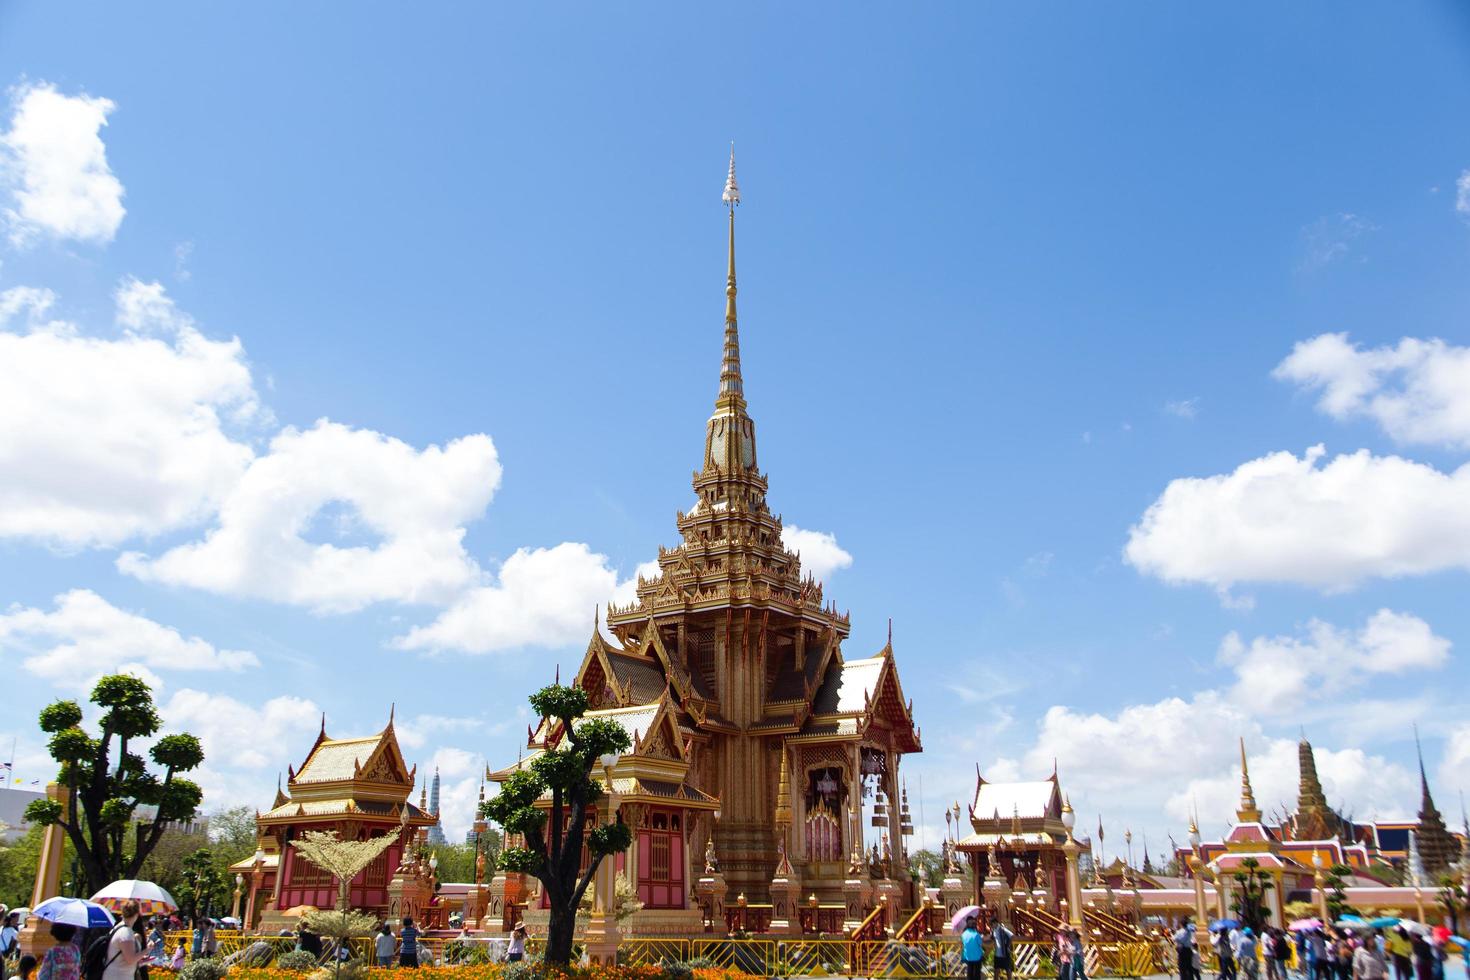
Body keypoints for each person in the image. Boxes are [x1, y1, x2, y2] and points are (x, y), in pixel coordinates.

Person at [101, 900, 144, 980]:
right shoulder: (126, 932)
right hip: (119, 976)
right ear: (137, 915)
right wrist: (147, 950)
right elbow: (130, 959)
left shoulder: (117, 928)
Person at [960, 914, 985, 980]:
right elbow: (980, 943)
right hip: (977, 956)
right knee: (977, 973)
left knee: (969, 972)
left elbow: (963, 943)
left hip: (968, 956)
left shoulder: (963, 934)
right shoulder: (976, 934)